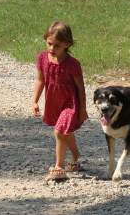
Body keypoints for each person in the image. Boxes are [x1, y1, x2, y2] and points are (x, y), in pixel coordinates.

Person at [32, 21, 88, 180]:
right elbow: (40, 81)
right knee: (65, 131)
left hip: (70, 103)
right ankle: (75, 155)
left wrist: (82, 110)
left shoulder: (72, 64)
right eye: (49, 43)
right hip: (53, 102)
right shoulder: (43, 58)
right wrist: (35, 101)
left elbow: (80, 88)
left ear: (67, 44)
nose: (51, 48)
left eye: (57, 45)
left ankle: (59, 167)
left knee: (58, 131)